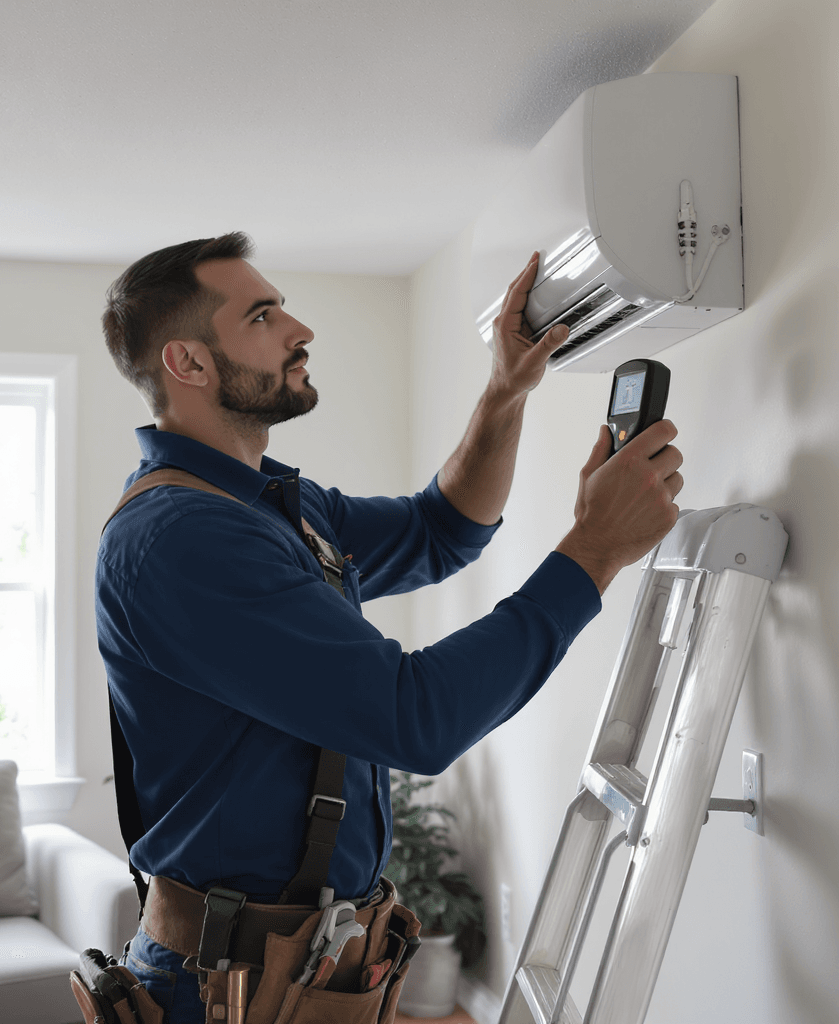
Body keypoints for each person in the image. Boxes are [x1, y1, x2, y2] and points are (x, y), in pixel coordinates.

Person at [94, 231, 683, 1022]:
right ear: (188, 364)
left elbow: (444, 529)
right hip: (223, 986)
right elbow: (415, 718)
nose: (300, 329)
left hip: (305, 969)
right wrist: (595, 551)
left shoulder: (271, 507)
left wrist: (506, 390)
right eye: (264, 316)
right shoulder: (182, 538)